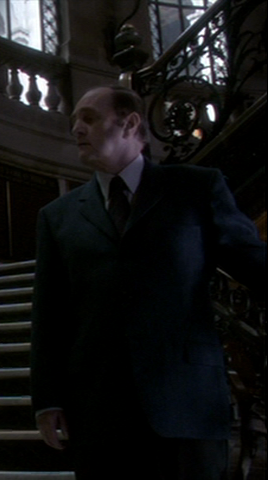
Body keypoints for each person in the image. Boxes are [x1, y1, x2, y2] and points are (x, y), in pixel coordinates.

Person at [30, 85, 266, 479]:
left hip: (186, 402)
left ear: (129, 123)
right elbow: (49, 313)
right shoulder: (57, 216)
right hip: (98, 409)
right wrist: (47, 399)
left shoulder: (196, 188)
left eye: (89, 118)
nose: (76, 129)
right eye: (74, 121)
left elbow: (250, 260)